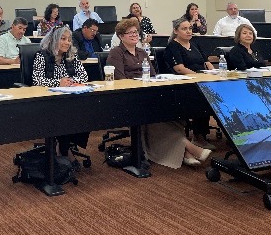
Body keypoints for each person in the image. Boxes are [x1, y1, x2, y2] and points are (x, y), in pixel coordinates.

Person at [108, 18, 211, 168]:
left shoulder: (142, 52)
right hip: (132, 98)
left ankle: (185, 153)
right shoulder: (116, 53)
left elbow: (153, 75)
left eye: (136, 32)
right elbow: (120, 80)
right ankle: (190, 147)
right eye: (129, 33)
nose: (134, 35)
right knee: (156, 117)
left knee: (171, 112)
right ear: (121, 36)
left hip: (149, 94)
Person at [31, 25, 90, 157]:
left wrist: (71, 81)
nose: (67, 42)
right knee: (64, 114)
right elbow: (37, 80)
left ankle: (66, 145)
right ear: (54, 40)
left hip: (69, 98)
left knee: (85, 111)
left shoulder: (71, 56)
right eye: (63, 39)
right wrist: (58, 82)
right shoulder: (42, 56)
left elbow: (84, 76)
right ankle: (64, 149)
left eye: (69, 39)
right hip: (48, 100)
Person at [164, 18, 214, 150]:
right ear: (175, 31)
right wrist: (198, 76)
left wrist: (215, 74)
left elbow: (207, 62)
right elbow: (179, 68)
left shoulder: (195, 43)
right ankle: (198, 136)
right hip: (184, 83)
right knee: (203, 98)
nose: (188, 31)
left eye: (190, 28)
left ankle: (202, 134)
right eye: (184, 29)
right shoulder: (173, 46)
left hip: (202, 79)